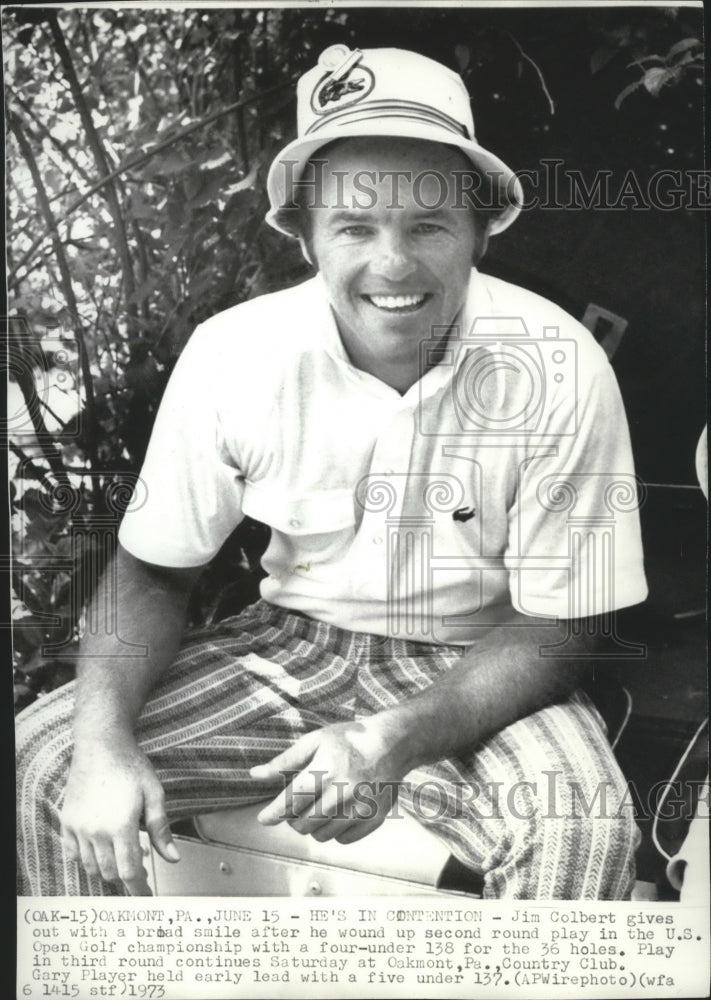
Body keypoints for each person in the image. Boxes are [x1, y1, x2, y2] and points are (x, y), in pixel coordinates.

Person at [16, 45, 648, 900]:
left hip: (483, 664)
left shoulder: (560, 364)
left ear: (480, 227)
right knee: (50, 767)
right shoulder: (235, 352)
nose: (391, 265)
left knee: (584, 828)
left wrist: (398, 737)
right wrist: (102, 746)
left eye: (427, 224)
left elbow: (571, 623)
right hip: (288, 646)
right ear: (305, 236)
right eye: (354, 226)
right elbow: (153, 571)